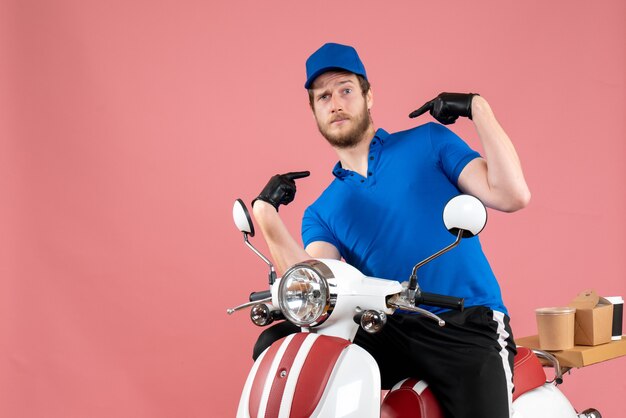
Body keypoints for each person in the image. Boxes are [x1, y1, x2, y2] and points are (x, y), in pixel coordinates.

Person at [250, 42, 530, 418]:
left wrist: (478, 109)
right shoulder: (322, 212)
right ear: (314, 111)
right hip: (390, 329)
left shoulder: (427, 141)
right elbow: (317, 292)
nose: (335, 103)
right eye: (324, 97)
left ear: (368, 97)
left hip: (465, 325)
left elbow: (512, 195)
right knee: (278, 342)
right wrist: (265, 214)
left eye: (346, 90)